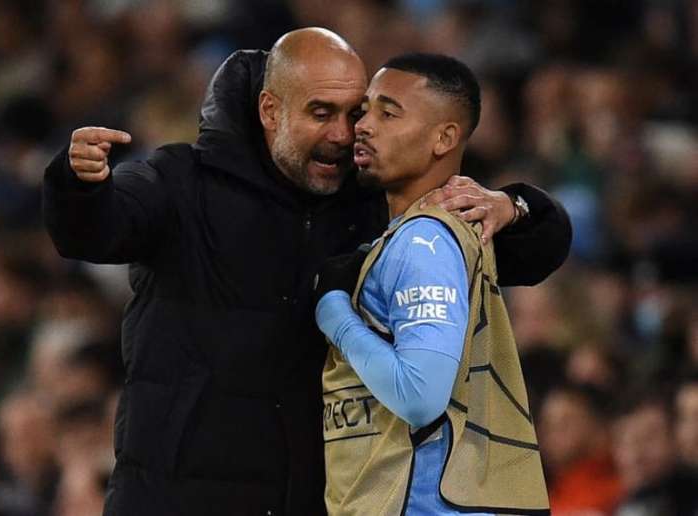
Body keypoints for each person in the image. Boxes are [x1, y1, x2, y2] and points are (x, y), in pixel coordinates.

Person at [43, 28, 571, 515]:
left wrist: (515, 205)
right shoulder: (184, 183)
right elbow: (92, 231)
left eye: (355, 113)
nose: (346, 134)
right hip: (176, 497)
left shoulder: (373, 202)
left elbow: (533, 252)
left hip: (311, 500)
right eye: (322, 113)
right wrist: (78, 184)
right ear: (270, 110)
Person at [315, 53, 551, 514]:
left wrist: (334, 313)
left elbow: (420, 395)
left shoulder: (425, 240)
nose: (363, 124)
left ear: (444, 137)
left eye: (388, 112)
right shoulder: (425, 234)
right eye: (365, 110)